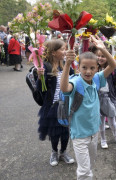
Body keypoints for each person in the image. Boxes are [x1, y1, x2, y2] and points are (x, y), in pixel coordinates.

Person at [60, 35, 116, 179]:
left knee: (90, 165)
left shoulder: (97, 79)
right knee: (84, 171)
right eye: (84, 67)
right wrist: (67, 64)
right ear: (78, 68)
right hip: (79, 135)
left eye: (92, 68)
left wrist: (103, 49)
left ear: (97, 68)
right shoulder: (76, 81)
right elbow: (64, 88)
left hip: (94, 132)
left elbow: (113, 65)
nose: (88, 71)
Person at [36, 39, 75, 167]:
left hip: (66, 104)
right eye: (62, 49)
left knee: (65, 131)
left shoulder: (65, 65)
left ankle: (63, 152)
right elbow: (42, 90)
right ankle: (54, 151)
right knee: (54, 131)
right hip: (53, 105)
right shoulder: (46, 67)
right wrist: (40, 77)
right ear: (53, 52)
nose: (64, 52)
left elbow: (74, 79)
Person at [92, 46, 116, 148]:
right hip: (97, 98)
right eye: (98, 56)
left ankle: (115, 133)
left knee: (112, 120)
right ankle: (103, 139)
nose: (100, 58)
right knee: (100, 122)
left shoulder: (111, 69)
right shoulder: (93, 68)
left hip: (109, 97)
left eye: (103, 56)